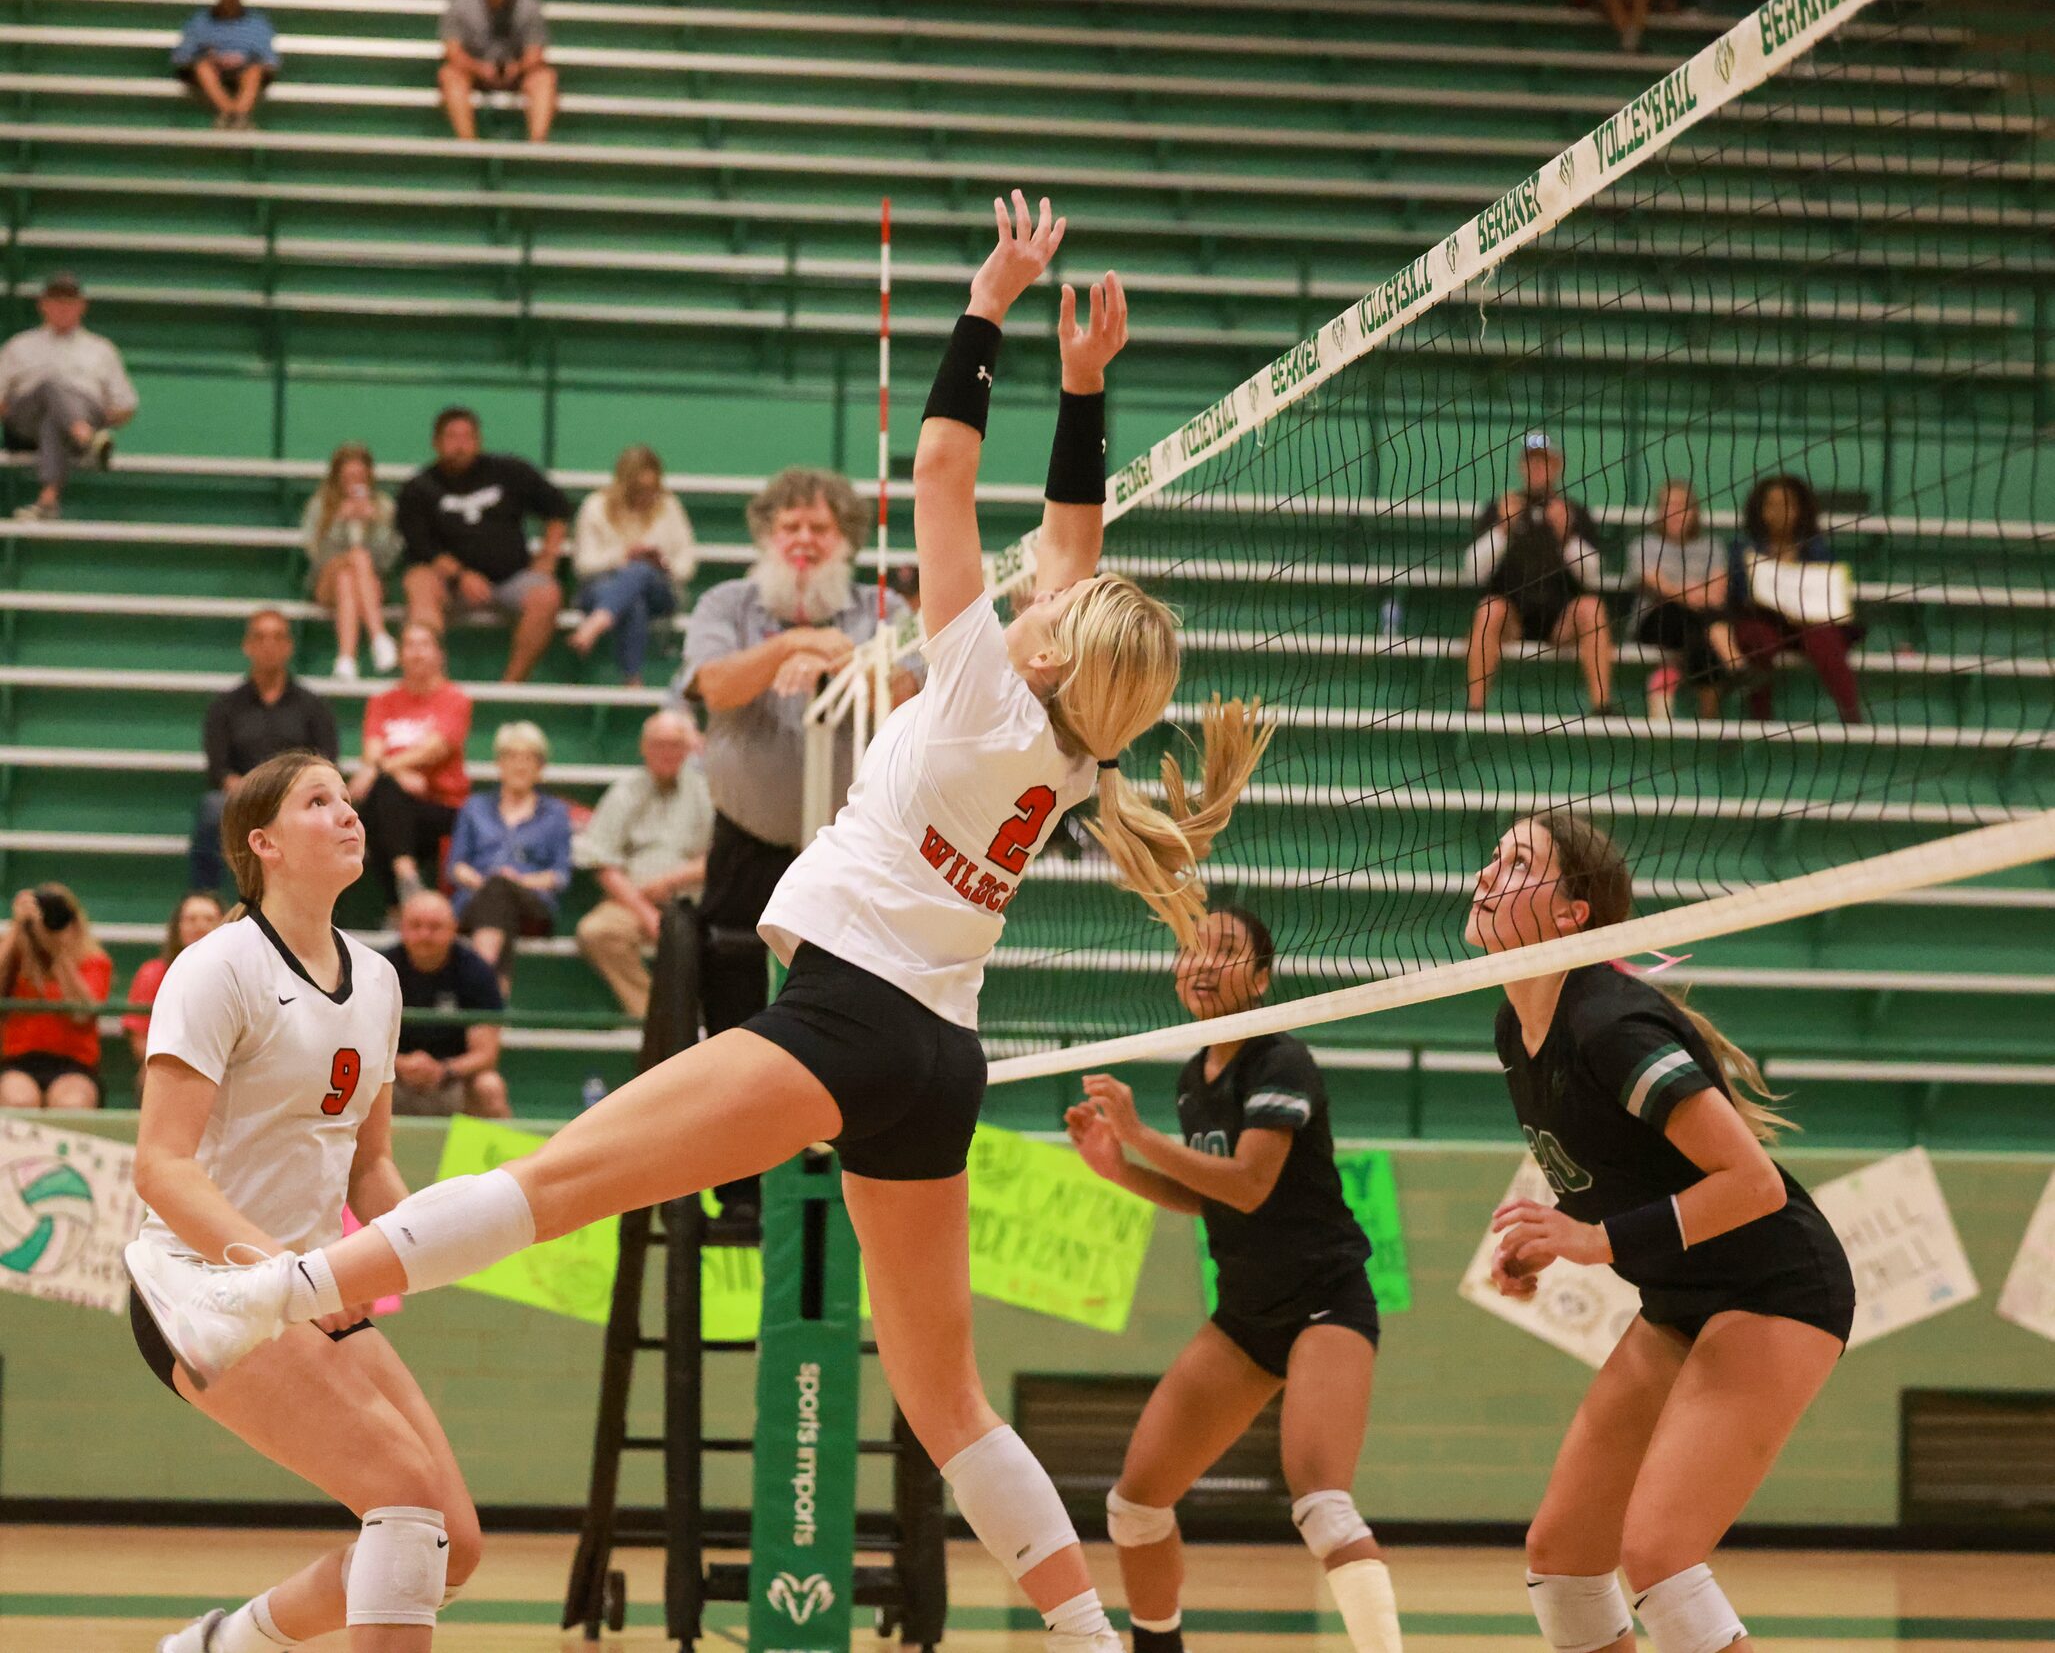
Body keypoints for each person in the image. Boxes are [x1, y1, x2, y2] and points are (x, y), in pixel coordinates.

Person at [125, 190, 1275, 1653]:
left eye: (1057, 600)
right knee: (947, 1400)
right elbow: (1072, 534)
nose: (1042, 588)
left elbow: (939, 464)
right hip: (940, 1058)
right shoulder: (1072, 745)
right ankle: (1088, 1639)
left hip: (847, 1020)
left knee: (559, 1180)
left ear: (1054, 640)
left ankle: (271, 1295)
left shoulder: (986, 675)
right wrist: (1093, 383)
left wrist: (990, 302)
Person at [1467, 811, 1854, 1653]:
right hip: (1681, 1296)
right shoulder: (1517, 1027)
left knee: (1659, 1553)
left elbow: (1749, 1183)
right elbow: (1616, 1166)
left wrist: (1592, 1242)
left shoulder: (1611, 1026)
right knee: (1563, 1557)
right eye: (1491, 858)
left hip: (1776, 1287)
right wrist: (1548, 1237)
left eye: (1517, 863)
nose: (1486, 874)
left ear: (1573, 913)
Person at [122, 750, 483, 1652]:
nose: (348, 813)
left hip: (310, 1286)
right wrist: (292, 1275)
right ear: (265, 845)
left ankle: (222, 1645)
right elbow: (161, 1166)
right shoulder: (215, 968)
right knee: (401, 1492)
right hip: (202, 1288)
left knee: (454, 1545)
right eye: (319, 801)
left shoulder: (381, 979)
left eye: (347, 798)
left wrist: (429, 1236)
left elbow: (370, 1167)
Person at [1066, 906, 1401, 1653]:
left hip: (1324, 1304)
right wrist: (1120, 1169)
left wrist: (1140, 1136)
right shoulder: (1193, 1077)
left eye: (1226, 952)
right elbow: (1207, 1195)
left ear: (1259, 979)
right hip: (1246, 1318)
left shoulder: (1280, 1060)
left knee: (1321, 1504)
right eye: (1192, 950)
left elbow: (1249, 1184)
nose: (1204, 964)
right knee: (1135, 1507)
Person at [675, 464, 921, 1058]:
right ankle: (744, 1136)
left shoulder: (882, 609)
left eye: (821, 527)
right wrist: (791, 644)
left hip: (855, 844)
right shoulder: (727, 604)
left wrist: (844, 664)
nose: (805, 540)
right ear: (766, 535)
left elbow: (910, 697)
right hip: (747, 844)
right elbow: (714, 685)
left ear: (849, 540)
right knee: (734, 1001)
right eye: (791, 526)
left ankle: (829, 1138)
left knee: (850, 993)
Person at [398, 406, 570, 684]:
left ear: (478, 440)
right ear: (436, 443)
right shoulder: (419, 488)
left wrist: (549, 556)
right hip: (448, 583)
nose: (460, 445)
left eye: (467, 437)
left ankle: (511, 685)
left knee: (547, 595)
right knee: (418, 581)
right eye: (452, 438)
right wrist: (461, 575)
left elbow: (558, 509)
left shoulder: (510, 471)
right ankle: (433, 684)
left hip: (511, 578)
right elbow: (421, 547)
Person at [573, 709, 713, 1020]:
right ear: (643, 747)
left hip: (695, 899)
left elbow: (721, 857)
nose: (666, 752)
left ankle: (691, 1020)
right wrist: (644, 911)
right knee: (596, 931)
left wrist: (672, 880)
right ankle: (658, 1019)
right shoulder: (623, 791)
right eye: (658, 744)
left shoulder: (708, 790)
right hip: (633, 900)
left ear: (688, 749)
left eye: (675, 745)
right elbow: (601, 860)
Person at [192, 609, 341, 895]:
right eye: (260, 637)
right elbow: (218, 769)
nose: (268, 645)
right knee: (212, 810)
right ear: (247, 646)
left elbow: (326, 763)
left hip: (300, 797)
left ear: (289, 646)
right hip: (242, 796)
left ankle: (323, 903)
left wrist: (292, 794)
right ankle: (204, 902)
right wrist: (252, 792)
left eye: (277, 637)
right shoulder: (224, 706)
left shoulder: (314, 706)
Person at [1465, 431, 1614, 715]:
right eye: (1530, 462)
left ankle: (1602, 706)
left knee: (1592, 608)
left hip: (1561, 620)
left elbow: (1594, 578)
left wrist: (1567, 537)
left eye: (1543, 462)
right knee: (1487, 611)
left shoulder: (1575, 513)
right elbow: (1473, 572)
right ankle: (1475, 709)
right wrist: (1502, 529)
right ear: (1522, 467)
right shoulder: (1499, 508)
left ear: (1556, 466)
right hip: (1512, 617)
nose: (1536, 469)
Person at [350, 622, 473, 915]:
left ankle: (397, 910)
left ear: (439, 654)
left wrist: (383, 769)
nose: (416, 653)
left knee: (378, 799)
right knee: (385, 800)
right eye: (409, 645)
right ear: (400, 655)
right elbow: (372, 749)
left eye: (424, 645)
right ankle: (406, 873)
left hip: (440, 804)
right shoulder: (382, 701)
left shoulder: (454, 699)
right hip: (396, 806)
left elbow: (435, 749)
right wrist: (392, 774)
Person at [0, 272, 140, 521]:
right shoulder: (19, 345)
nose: (63, 308)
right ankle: (87, 437)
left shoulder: (101, 349)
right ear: (43, 305)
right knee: (50, 385)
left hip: (82, 414)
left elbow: (125, 406)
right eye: (56, 301)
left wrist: (88, 416)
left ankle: (48, 500)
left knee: (54, 419)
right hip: (25, 420)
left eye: (69, 302)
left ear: (81, 306)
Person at [1728, 473, 1863, 725]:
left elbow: (1830, 595)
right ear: (1760, 510)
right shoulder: (1743, 550)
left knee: (1825, 638)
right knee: (1755, 639)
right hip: (1764, 621)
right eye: (1772, 505)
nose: (1780, 512)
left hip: (1807, 624)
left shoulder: (1818, 551)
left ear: (1801, 510)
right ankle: (1761, 720)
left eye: (1787, 504)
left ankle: (1852, 716)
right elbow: (1738, 596)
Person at [446, 721, 573, 985]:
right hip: (476, 895)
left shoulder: (556, 813)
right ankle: (491, 992)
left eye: (529, 758)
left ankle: (480, 983)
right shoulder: (474, 807)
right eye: (512, 756)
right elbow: (455, 865)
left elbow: (560, 875)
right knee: (497, 895)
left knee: (500, 891)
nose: (520, 765)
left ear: (541, 768)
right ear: (499, 763)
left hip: (532, 901)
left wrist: (514, 881)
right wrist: (490, 883)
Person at [568, 444, 698, 684]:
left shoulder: (669, 506)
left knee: (641, 571)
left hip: (660, 590)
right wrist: (622, 556)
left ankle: (597, 623)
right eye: (638, 490)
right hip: (601, 587)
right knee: (633, 599)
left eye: (652, 489)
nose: (645, 497)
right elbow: (583, 565)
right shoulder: (596, 506)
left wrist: (664, 564)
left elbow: (688, 561)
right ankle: (632, 681)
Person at [384, 889, 510, 1119]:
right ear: (401, 928)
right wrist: (400, 1065)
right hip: (391, 1075)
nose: (425, 934)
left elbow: (486, 1053)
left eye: (435, 927)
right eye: (416, 926)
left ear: (454, 929)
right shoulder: (379, 970)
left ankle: (506, 1157)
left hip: (455, 1078)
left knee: (489, 1087)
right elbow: (362, 1042)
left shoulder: (476, 971)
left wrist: (443, 1069)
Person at [0, 883, 113, 1109]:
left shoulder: (94, 961)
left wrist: (58, 953)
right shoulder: (15, 958)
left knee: (71, 1103)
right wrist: (17, 930)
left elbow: (82, 1014)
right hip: (18, 1063)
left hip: (74, 1065)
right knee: (18, 1101)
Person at [1631, 479, 1736, 721]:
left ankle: (1702, 709)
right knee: (1686, 617)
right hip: (1655, 621)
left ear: (1694, 512)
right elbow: (1657, 585)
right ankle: (1733, 668)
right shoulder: (1644, 545)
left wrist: (1686, 593)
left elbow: (1718, 593)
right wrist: (1692, 592)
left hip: (1699, 622)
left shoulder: (1713, 546)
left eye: (1682, 505)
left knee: (1699, 634)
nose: (1675, 512)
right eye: (1668, 505)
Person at [302, 442, 404, 682]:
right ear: (337, 477)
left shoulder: (384, 507)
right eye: (348, 476)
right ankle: (378, 636)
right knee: (354, 561)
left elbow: (388, 560)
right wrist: (338, 522)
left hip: (369, 583)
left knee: (348, 578)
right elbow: (315, 555)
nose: (354, 481)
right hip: (325, 580)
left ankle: (346, 659)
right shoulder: (320, 505)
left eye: (359, 475)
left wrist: (374, 525)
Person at [437, 0, 557, 144]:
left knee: (545, 78)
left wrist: (517, 68)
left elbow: (535, 53)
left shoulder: (530, 7)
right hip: (474, 73)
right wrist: (479, 69)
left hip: (517, 74)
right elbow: (453, 51)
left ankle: (538, 144)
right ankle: (468, 144)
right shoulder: (459, 5)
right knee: (449, 75)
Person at [123, 892, 226, 1093]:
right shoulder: (152, 974)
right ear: (177, 927)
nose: (200, 926)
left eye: (209, 919)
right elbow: (140, 1043)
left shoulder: (240, 974)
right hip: (173, 1061)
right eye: (191, 919)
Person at [171, 0, 278, 130]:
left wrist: (242, 60)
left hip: (243, 70)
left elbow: (270, 61)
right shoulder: (200, 22)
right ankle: (232, 113)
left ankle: (237, 115)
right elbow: (182, 58)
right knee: (202, 67)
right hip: (212, 72)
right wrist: (211, 58)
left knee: (254, 71)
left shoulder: (258, 23)